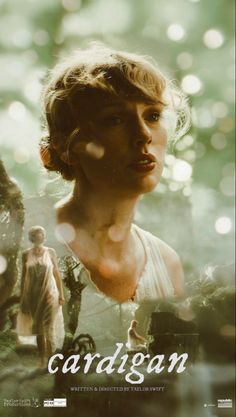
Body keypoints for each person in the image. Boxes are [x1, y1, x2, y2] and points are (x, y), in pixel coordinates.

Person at [39, 43, 190, 354]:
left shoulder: (166, 265)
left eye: (153, 115)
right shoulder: (23, 252)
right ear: (67, 145)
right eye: (115, 120)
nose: (145, 134)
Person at [16, 226, 65, 366]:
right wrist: (22, 298)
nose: (40, 237)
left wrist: (61, 294)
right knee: (38, 328)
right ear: (32, 237)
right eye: (37, 235)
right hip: (33, 295)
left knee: (49, 326)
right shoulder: (26, 254)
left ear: (44, 237)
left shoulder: (50, 252)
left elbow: (56, 274)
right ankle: (42, 359)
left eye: (42, 234)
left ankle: (50, 359)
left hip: (51, 293)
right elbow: (24, 277)